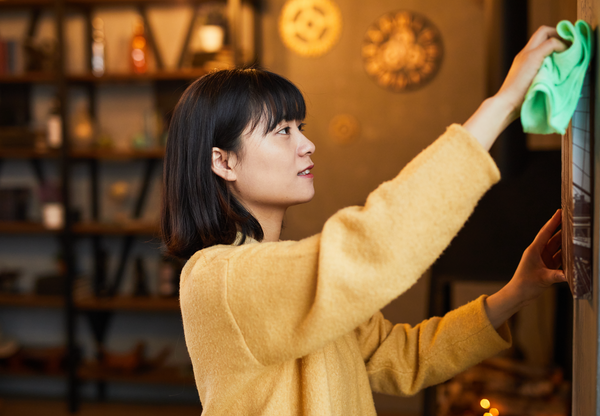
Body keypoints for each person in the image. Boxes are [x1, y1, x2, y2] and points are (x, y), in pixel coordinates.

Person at [161, 26, 567, 416]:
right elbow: (378, 243)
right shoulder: (217, 278)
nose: (307, 144)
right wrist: (503, 102)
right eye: (282, 131)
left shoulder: (291, 276)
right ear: (223, 160)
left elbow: (404, 359)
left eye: (300, 127)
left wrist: (518, 290)